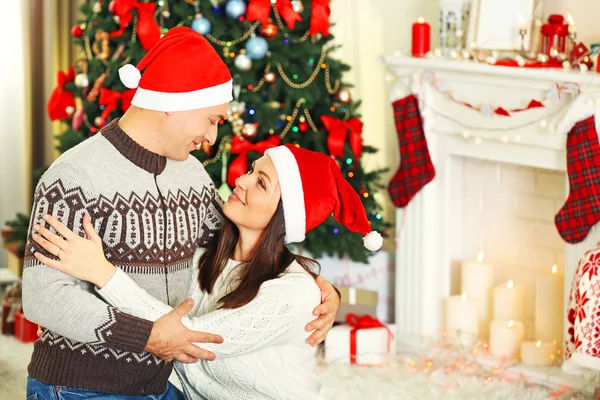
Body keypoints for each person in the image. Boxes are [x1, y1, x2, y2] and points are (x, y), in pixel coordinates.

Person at [23, 27, 340, 399]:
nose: (212, 138)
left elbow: (242, 242)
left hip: (159, 386)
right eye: (212, 119)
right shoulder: (76, 175)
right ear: (175, 100)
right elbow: (43, 297)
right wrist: (147, 336)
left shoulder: (191, 174)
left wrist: (318, 291)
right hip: (80, 387)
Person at [31, 144, 384, 399]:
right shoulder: (203, 255)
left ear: (286, 216)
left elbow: (191, 339)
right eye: (250, 171)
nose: (241, 181)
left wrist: (103, 274)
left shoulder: (295, 293)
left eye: (261, 183)